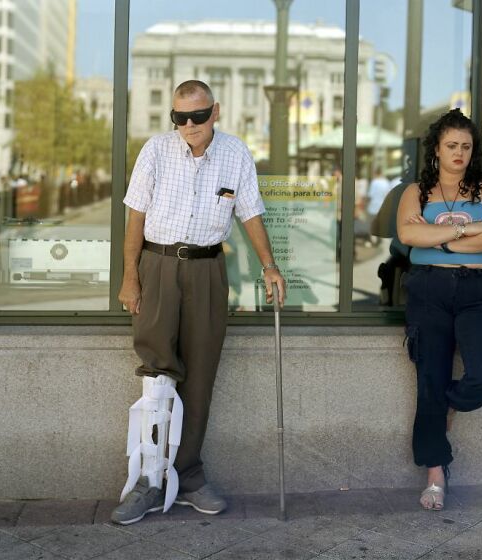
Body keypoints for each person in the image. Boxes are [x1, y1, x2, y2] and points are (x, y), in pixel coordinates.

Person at [112, 80, 286, 524]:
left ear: (216, 111)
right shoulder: (154, 150)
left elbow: (250, 212)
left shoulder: (235, 153)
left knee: (201, 374)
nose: (189, 125)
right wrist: (130, 277)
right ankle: (147, 482)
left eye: (198, 116)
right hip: (159, 264)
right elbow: (135, 216)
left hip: (208, 269)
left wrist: (269, 265)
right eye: (180, 117)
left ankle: (188, 476)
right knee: (156, 371)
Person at [396, 109, 482, 510]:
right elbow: (409, 235)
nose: (459, 153)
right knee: (429, 377)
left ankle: (450, 402)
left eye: (466, 146)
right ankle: (435, 472)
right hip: (429, 290)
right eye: (452, 146)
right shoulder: (418, 192)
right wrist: (467, 230)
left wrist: (439, 240)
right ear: (437, 149)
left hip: (478, 292)